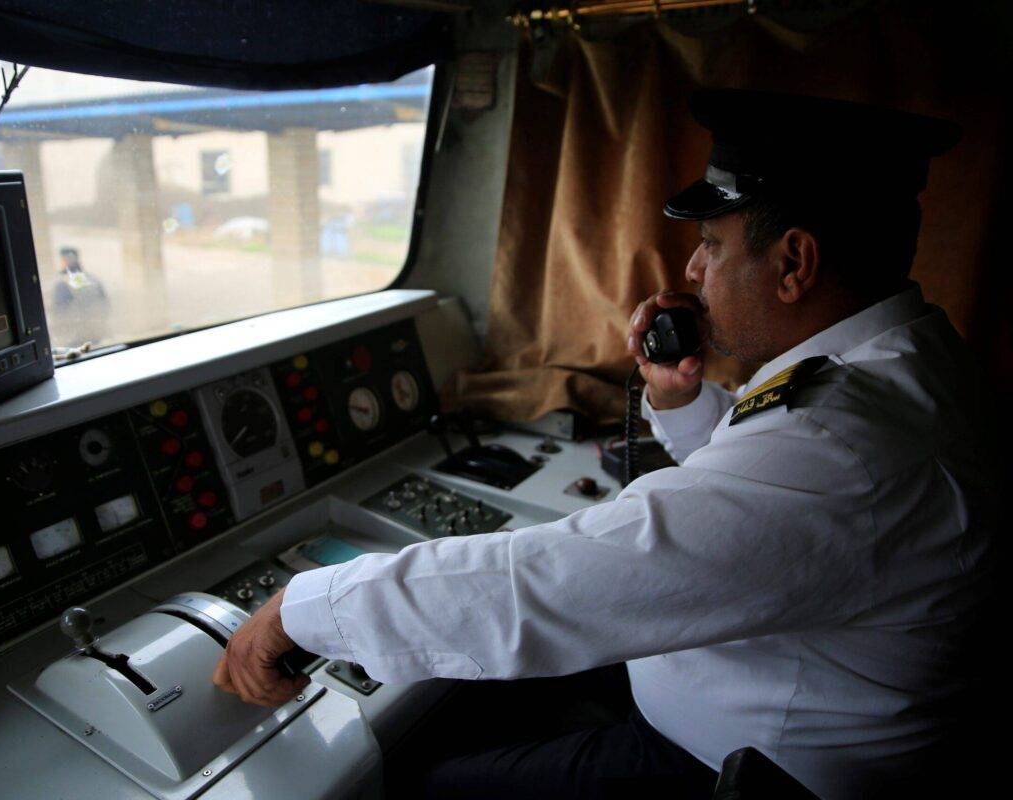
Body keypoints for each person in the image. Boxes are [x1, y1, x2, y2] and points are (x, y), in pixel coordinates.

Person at [211, 90, 996, 799]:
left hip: (742, 770)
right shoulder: (906, 362)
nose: (691, 266)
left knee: (421, 780)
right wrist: (678, 400)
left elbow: (553, 585)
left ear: (793, 263)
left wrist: (304, 607)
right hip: (750, 694)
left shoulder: (837, 439)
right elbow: (767, 496)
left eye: (713, 245)